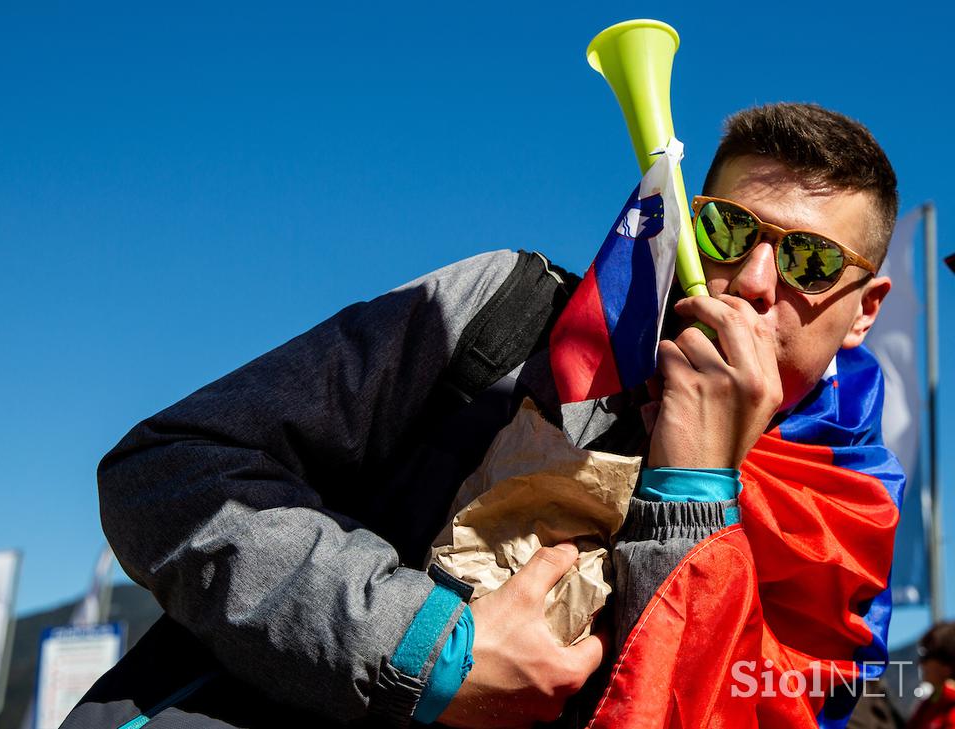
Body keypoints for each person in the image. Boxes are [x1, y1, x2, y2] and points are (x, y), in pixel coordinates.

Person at [66, 102, 898, 728]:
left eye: (812, 258)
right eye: (726, 228)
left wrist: (691, 486)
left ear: (865, 311)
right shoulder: (509, 314)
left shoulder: (845, 517)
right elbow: (170, 468)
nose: (753, 279)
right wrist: (421, 647)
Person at [908, 622, 955, 729]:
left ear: (946, 665)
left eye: (926, 657)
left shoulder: (949, 705)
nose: (920, 664)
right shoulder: (928, 704)